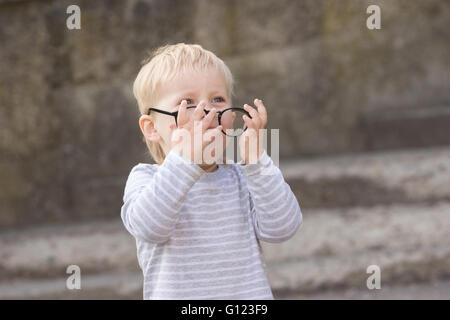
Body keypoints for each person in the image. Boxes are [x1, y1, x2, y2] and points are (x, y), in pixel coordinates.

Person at [121, 43, 303, 299]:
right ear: (151, 128)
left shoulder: (242, 178)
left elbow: (283, 228)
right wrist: (185, 160)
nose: (208, 110)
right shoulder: (146, 178)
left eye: (217, 99)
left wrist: (257, 162)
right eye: (188, 102)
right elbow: (150, 227)